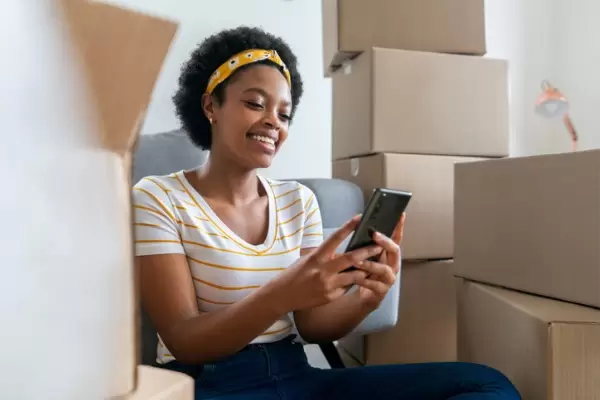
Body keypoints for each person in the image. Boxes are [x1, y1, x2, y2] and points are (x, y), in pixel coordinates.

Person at [132, 26, 521, 400]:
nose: (273, 122)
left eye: (285, 114)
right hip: (215, 383)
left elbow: (313, 325)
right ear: (210, 105)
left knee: (485, 385)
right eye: (255, 103)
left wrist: (366, 297)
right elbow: (184, 339)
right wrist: (281, 294)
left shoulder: (297, 201)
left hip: (298, 377)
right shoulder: (159, 197)